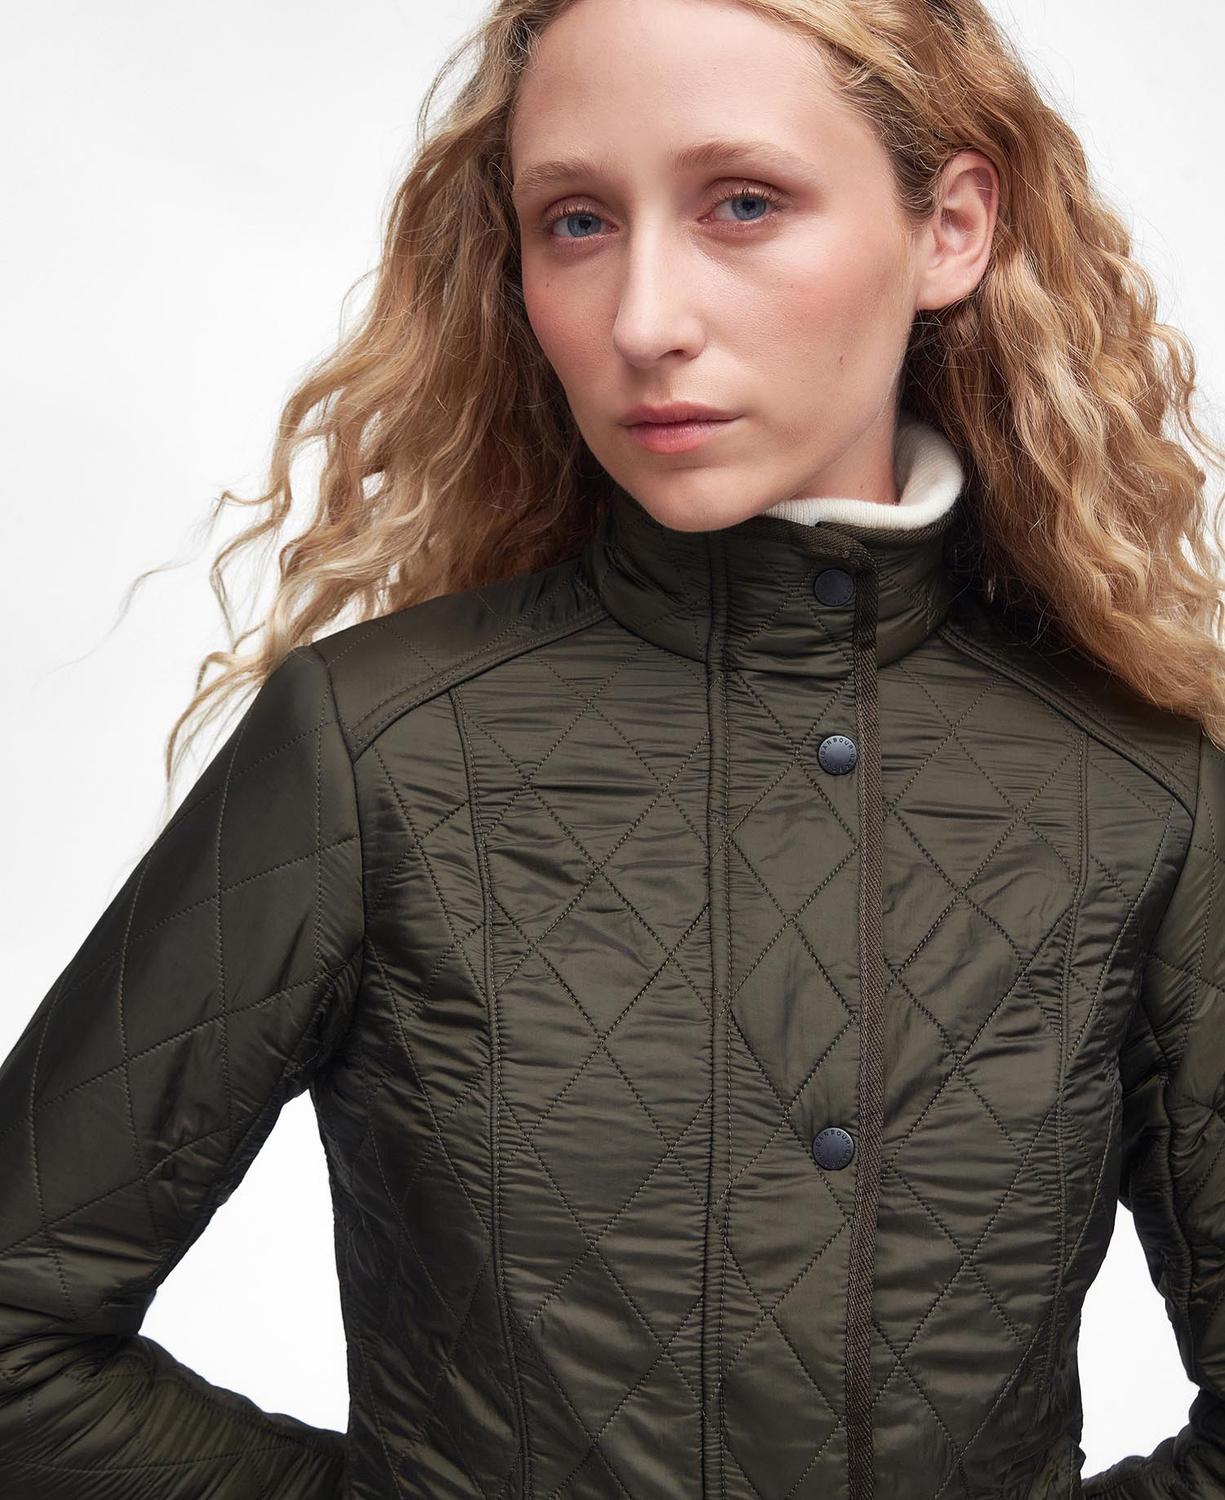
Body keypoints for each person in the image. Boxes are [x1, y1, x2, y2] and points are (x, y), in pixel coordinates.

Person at [1, 0, 1223, 1496]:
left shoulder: (1139, 794)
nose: (644, 320)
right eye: (575, 222)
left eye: (743, 203)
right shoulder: (377, 751)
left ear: (951, 230)